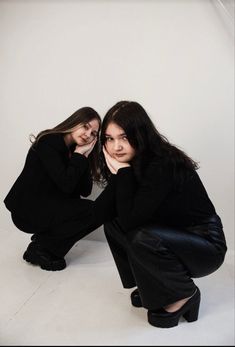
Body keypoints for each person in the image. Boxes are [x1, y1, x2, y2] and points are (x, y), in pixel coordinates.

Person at [96, 100, 227, 328]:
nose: (116, 147)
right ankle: (151, 285)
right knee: (113, 223)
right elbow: (103, 212)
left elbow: (131, 223)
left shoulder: (161, 164)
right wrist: (119, 175)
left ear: (141, 134)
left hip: (205, 244)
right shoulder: (132, 163)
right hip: (174, 236)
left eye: (124, 137)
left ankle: (184, 294)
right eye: (109, 138)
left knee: (139, 235)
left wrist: (123, 174)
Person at [4, 107, 102, 271]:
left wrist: (84, 155)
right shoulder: (48, 142)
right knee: (92, 210)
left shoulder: (75, 150)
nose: (88, 134)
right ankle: (44, 250)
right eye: (85, 126)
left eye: (93, 133)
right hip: (27, 211)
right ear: (74, 121)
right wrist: (78, 156)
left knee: (97, 210)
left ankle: (42, 245)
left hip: (48, 207)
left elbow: (85, 190)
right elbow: (66, 184)